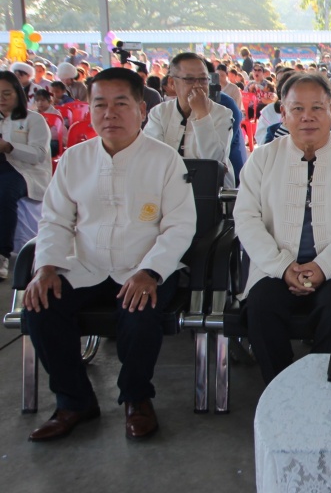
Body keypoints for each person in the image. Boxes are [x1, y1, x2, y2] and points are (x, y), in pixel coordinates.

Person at [23, 68, 196, 442]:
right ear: (89, 109)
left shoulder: (165, 160)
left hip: (143, 266)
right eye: (100, 105)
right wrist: (47, 266)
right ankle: (74, 401)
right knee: (40, 306)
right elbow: (55, 220)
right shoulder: (75, 159)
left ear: (141, 109)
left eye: (121, 104)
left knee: (140, 312)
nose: (109, 114)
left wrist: (151, 271)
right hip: (85, 264)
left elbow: (180, 226)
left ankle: (137, 398)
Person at [234, 72, 331, 384]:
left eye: (317, 108)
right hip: (275, 266)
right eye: (297, 109)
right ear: (283, 113)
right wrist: (282, 266)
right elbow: (246, 218)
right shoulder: (262, 159)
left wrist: (323, 266)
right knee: (260, 307)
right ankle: (280, 389)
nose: (307, 117)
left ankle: (322, 394)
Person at [144, 53, 235, 188]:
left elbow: (214, 162)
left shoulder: (223, 114)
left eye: (203, 79)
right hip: (166, 188)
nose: (198, 86)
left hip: (210, 191)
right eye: (189, 79)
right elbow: (153, 157)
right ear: (172, 83)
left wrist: (202, 114)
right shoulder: (159, 113)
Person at [0, 71, 51, 280]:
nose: (1, 99)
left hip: (25, 171)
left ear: (18, 94)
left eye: (6, 94)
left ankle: (2, 254)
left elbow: (38, 155)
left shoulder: (34, 119)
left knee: (4, 193)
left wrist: (8, 146)